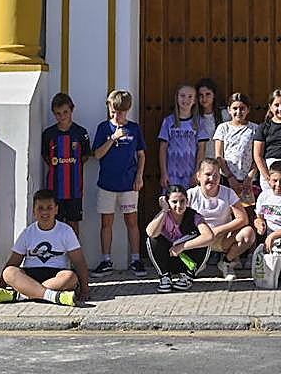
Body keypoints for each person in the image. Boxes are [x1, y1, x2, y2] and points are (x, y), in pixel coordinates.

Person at [0, 189, 91, 305]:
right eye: (40, 208)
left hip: (57, 275)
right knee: (9, 272)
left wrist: (85, 289)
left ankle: (22, 295)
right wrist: (0, 288)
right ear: (34, 211)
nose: (45, 212)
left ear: (56, 210)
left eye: (49, 207)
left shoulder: (66, 231)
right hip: (30, 275)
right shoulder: (27, 233)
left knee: (70, 277)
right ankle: (52, 296)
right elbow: (13, 262)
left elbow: (79, 261)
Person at [90, 89, 147, 278]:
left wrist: (139, 176)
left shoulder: (134, 128)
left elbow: (141, 154)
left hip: (128, 184)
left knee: (132, 221)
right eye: (114, 111)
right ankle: (106, 260)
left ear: (128, 110)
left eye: (121, 111)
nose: (117, 115)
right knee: (106, 223)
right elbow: (97, 154)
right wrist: (113, 138)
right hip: (107, 183)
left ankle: (136, 259)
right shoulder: (103, 128)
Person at [187, 158, 257, 282]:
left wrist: (219, 230)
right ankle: (195, 263)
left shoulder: (228, 193)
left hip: (223, 239)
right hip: (198, 238)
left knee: (248, 233)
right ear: (198, 176)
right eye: (208, 174)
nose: (212, 179)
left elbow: (243, 219)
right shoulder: (190, 195)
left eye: (216, 175)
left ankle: (226, 263)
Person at [145, 183, 214, 292]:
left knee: (205, 241)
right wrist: (164, 210)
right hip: (168, 258)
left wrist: (182, 247)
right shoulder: (164, 215)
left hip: (186, 260)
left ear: (187, 201)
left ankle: (188, 276)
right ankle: (164, 276)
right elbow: (150, 233)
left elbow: (209, 236)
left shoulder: (194, 216)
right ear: (167, 202)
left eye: (182, 201)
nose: (179, 205)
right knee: (152, 240)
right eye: (174, 202)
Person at [41, 92, 92, 235]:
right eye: (58, 113)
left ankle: (73, 256)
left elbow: (85, 157)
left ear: (72, 109)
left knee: (73, 223)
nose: (62, 116)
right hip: (54, 189)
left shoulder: (81, 133)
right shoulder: (48, 134)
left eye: (65, 112)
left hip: (74, 189)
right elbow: (46, 157)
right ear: (53, 113)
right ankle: (56, 256)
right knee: (54, 223)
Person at [158, 83, 211, 190]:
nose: (186, 99)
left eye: (190, 96)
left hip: (191, 174)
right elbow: (163, 149)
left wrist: (197, 172)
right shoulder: (168, 121)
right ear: (177, 98)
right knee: (172, 203)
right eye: (182, 96)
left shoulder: (199, 122)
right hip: (172, 174)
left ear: (195, 100)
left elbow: (201, 149)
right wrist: (164, 173)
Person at [213, 91, 258, 204]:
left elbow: (258, 155)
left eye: (242, 108)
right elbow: (219, 156)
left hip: (248, 179)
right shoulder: (223, 128)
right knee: (228, 209)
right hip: (227, 178)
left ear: (248, 109)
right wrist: (230, 177)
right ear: (229, 110)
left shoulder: (255, 129)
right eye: (235, 108)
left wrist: (249, 177)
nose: (238, 112)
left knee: (249, 210)